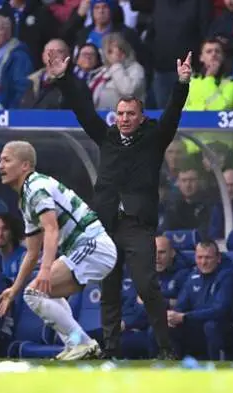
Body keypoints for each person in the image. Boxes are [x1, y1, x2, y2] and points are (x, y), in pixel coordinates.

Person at [47, 48, 193, 359]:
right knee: (109, 291)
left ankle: (166, 348)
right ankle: (110, 350)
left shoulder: (154, 140)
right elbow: (83, 110)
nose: (124, 119)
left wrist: (181, 84)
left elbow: (172, 115)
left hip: (137, 226)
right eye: (121, 114)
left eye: (131, 114)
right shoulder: (107, 138)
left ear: (141, 118)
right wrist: (63, 78)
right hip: (105, 226)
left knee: (147, 287)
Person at [0, 141, 118, 361]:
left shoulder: (36, 187)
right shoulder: (26, 197)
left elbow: (51, 229)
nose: (0, 165)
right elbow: (32, 252)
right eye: (0, 160)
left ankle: (82, 343)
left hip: (93, 246)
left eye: (6, 160)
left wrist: (45, 270)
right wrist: (14, 289)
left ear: (25, 165)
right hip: (88, 249)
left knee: (34, 292)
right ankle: (77, 344)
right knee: (38, 292)